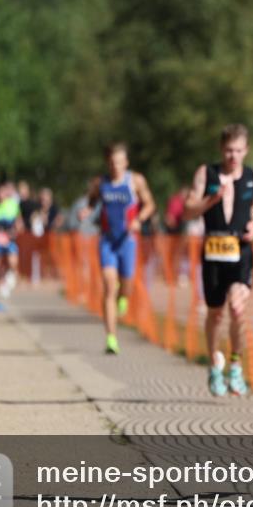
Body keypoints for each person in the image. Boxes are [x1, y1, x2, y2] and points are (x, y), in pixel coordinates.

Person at [183, 124, 253, 397]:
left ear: (246, 150)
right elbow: (187, 211)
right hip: (213, 253)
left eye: (239, 151)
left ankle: (236, 366)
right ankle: (214, 363)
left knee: (238, 310)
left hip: (240, 252)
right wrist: (211, 199)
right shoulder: (206, 174)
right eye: (229, 150)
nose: (233, 156)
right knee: (216, 314)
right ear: (221, 149)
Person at [84, 142, 156, 355]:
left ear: (126, 162)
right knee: (108, 286)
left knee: (127, 284)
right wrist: (86, 211)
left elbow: (150, 204)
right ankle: (111, 338)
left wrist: (139, 219)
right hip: (107, 241)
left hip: (128, 241)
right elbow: (91, 202)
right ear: (108, 163)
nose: (116, 166)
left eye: (119, 162)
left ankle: (123, 297)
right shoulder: (101, 183)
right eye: (112, 162)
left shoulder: (135, 181)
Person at [0, 182, 23, 298]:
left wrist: (15, 231)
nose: (1, 195)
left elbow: (19, 222)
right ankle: (0, 281)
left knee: (13, 263)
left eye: (3, 192)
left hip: (10, 239)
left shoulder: (13, 205)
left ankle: (11, 278)